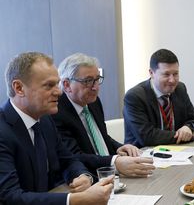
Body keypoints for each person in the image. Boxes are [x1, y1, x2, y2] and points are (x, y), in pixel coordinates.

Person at [0, 52, 112, 204]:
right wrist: (73, 200)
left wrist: (82, 176)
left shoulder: (45, 120)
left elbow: (68, 160)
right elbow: (10, 197)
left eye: (57, 84)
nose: (59, 92)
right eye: (49, 85)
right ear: (19, 88)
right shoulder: (3, 130)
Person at [52, 53, 155, 177]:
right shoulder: (56, 112)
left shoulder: (93, 102)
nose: (95, 87)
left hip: (111, 174)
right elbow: (74, 156)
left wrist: (119, 147)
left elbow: (101, 137)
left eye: (97, 79)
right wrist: (114, 161)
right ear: (67, 85)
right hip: (86, 178)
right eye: (88, 81)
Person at [123, 49, 194, 147]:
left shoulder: (180, 89)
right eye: (166, 74)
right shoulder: (135, 96)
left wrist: (188, 127)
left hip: (178, 152)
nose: (172, 80)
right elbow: (147, 137)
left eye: (175, 74)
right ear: (151, 73)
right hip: (143, 155)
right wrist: (190, 136)